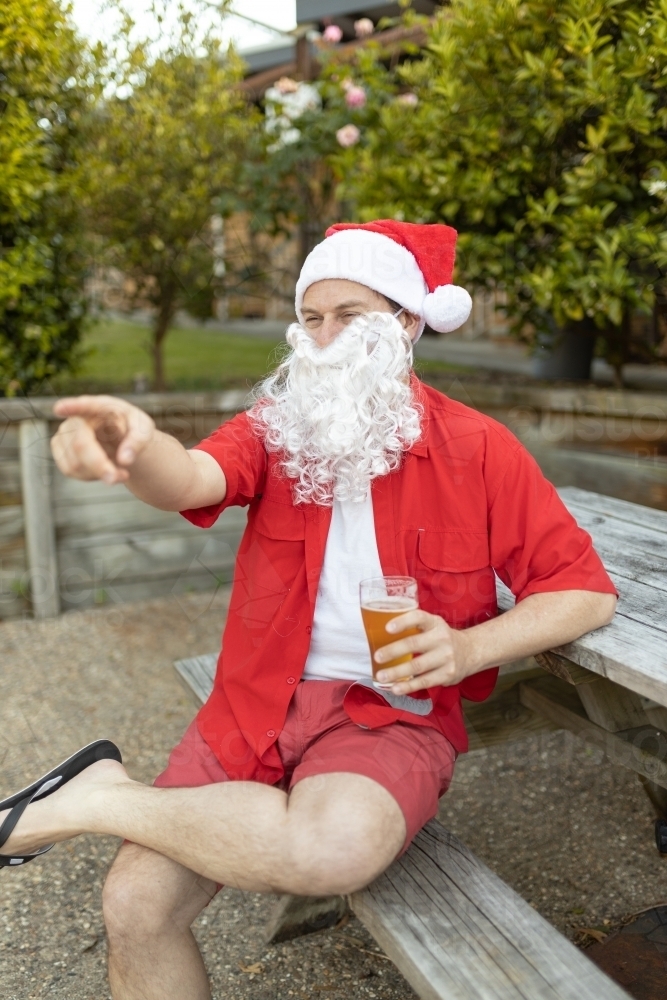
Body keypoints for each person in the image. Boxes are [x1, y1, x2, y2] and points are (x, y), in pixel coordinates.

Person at [0, 221, 617, 1000]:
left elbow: (584, 589)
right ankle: (101, 797)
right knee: (134, 904)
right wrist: (134, 452)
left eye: (348, 315)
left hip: (390, 714)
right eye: (312, 318)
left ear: (404, 322)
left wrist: (467, 650)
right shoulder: (278, 430)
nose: (324, 338)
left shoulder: (479, 448)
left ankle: (99, 798)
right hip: (257, 703)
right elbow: (191, 479)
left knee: (332, 849)